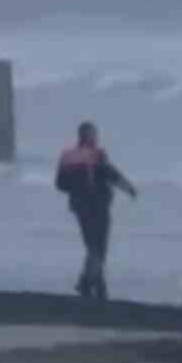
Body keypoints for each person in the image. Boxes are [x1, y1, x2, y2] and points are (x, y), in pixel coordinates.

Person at [55, 121, 137, 301]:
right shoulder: (98, 155)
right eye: (93, 134)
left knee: (92, 246)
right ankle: (87, 282)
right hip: (98, 207)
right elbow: (111, 174)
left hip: (80, 207)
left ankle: (97, 285)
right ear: (91, 136)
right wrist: (129, 188)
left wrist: (76, 185)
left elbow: (60, 184)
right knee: (98, 248)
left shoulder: (68, 156)